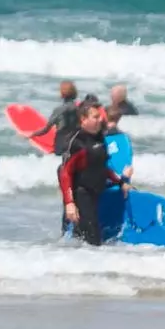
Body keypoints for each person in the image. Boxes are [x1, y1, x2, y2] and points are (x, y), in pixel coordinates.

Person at [59, 100, 130, 246]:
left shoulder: (100, 139)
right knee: (93, 241)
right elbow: (65, 173)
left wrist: (121, 182)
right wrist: (69, 203)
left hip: (97, 192)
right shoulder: (77, 143)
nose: (100, 120)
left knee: (87, 239)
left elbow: (102, 168)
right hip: (82, 195)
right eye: (95, 117)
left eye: (100, 117)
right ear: (83, 120)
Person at [27, 81, 81, 153]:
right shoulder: (79, 108)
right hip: (76, 144)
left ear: (62, 94)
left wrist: (32, 134)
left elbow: (46, 130)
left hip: (61, 146)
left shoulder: (59, 110)